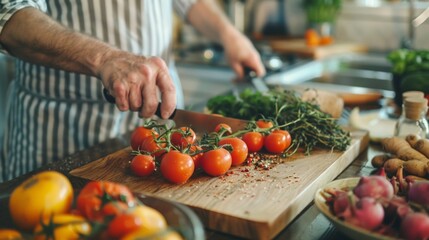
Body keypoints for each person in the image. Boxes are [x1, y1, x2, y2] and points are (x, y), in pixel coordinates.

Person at [0, 0, 265, 182]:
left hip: (162, 122)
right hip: (60, 132)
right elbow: (9, 14)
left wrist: (229, 34)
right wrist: (104, 58)